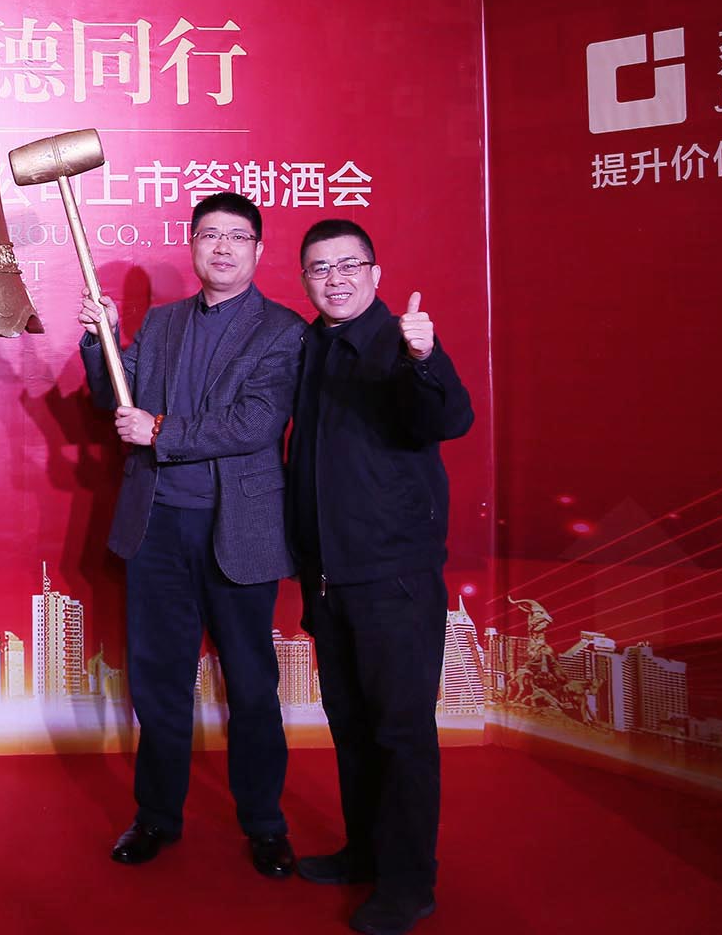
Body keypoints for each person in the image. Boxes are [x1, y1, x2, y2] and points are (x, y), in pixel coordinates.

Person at [78, 191, 305, 879]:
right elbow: (116, 398)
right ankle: (156, 816)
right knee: (158, 682)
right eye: (210, 235)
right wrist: (101, 341)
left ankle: (264, 823)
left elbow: (257, 423)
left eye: (237, 236)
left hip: (239, 529)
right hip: (157, 527)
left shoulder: (283, 330)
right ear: (193, 245)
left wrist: (161, 430)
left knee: (252, 685)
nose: (223, 247)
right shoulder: (164, 322)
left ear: (259, 250)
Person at [288, 219, 474, 935]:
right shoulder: (311, 345)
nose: (334, 279)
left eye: (348, 265)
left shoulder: (401, 342)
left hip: (393, 577)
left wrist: (425, 357)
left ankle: (408, 884)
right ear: (305, 280)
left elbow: (448, 418)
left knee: (400, 734)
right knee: (353, 727)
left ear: (375, 273)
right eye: (319, 268)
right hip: (329, 578)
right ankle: (364, 851)